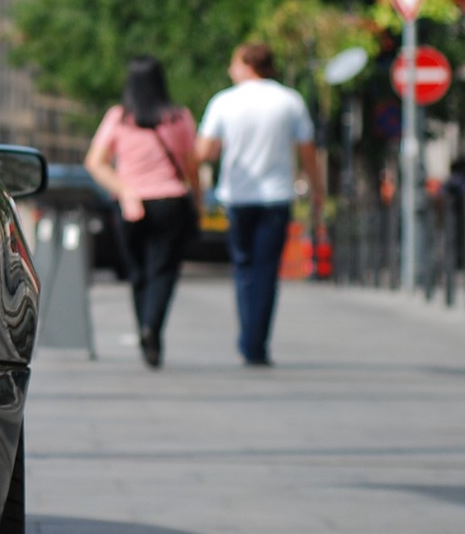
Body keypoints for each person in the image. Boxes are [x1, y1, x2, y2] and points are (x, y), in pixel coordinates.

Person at [195, 42, 324, 367]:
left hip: (237, 196)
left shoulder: (224, 101)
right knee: (266, 271)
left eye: (233, 63)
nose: (230, 69)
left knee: (243, 268)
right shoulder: (289, 100)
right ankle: (256, 343)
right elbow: (307, 149)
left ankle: (249, 337)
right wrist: (318, 189)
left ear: (246, 65)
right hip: (276, 197)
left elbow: (204, 152)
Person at [85, 55, 201, 368]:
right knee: (162, 271)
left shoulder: (119, 117)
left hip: (130, 205)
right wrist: (199, 203)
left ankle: (143, 329)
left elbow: (95, 162)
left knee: (137, 273)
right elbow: (191, 166)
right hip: (170, 202)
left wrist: (125, 190)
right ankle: (153, 329)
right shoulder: (179, 118)